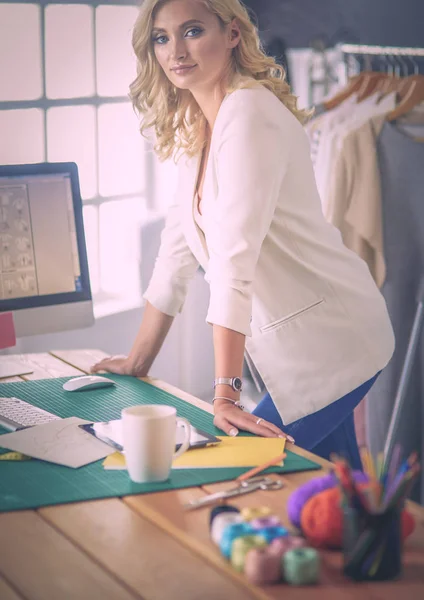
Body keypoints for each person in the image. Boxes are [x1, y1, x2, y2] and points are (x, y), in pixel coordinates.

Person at [91, 0, 395, 468]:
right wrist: (137, 360)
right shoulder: (200, 122)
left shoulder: (249, 112)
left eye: (192, 31)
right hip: (306, 346)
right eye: (162, 37)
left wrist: (225, 395)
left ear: (233, 34)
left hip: (335, 341)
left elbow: (234, 262)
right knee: (345, 504)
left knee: (241, 466)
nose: (176, 50)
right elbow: (176, 250)